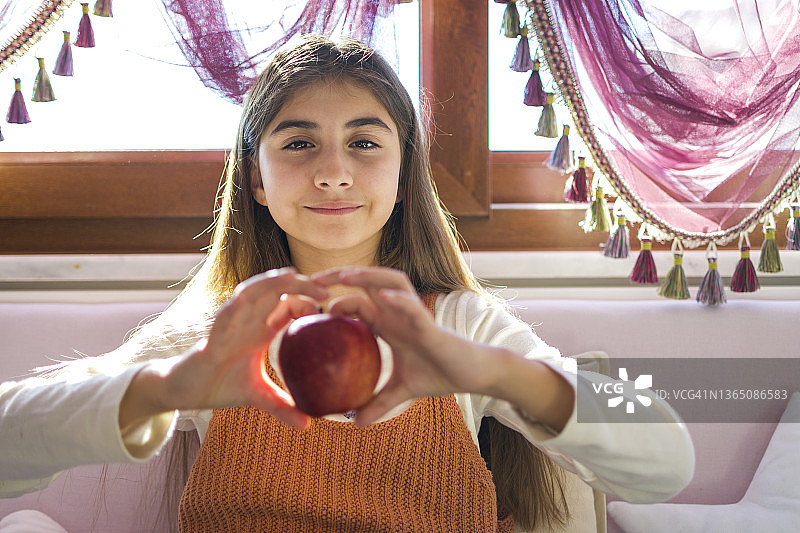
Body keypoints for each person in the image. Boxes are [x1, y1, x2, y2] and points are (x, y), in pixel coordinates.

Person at [0, 35, 693, 532]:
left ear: (401, 173)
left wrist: (496, 371)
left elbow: (667, 461)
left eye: (365, 142)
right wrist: (170, 387)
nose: (333, 171)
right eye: (299, 143)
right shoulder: (221, 329)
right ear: (257, 181)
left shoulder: (461, 325)